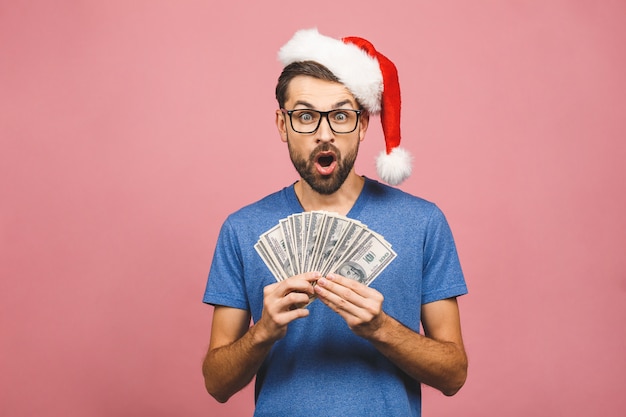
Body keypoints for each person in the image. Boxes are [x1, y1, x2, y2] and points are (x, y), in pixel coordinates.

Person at [202, 28, 468, 416]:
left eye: (341, 116)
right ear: (282, 125)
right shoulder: (242, 229)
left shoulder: (423, 222)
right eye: (306, 116)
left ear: (362, 124)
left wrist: (381, 329)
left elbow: (454, 374)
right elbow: (216, 384)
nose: (324, 135)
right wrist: (262, 333)